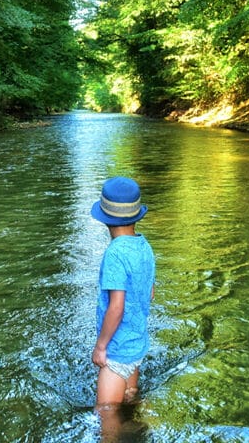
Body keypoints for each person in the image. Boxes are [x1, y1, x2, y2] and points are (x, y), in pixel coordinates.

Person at [90, 176, 156, 426]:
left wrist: (101, 347)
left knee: (105, 416)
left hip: (117, 354)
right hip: (137, 347)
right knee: (130, 400)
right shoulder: (144, 246)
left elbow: (116, 307)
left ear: (105, 219)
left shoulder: (115, 254)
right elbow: (150, 293)